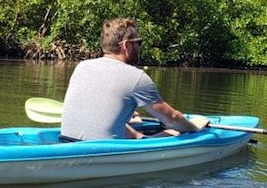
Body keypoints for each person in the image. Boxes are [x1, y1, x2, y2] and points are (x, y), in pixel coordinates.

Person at [59, 18, 209, 141]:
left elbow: (95, 113)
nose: (139, 47)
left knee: (143, 134)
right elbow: (173, 119)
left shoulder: (82, 67)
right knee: (176, 132)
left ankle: (139, 136)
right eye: (138, 42)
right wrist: (195, 127)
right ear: (126, 45)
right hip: (106, 150)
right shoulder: (136, 77)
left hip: (66, 141)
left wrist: (128, 121)